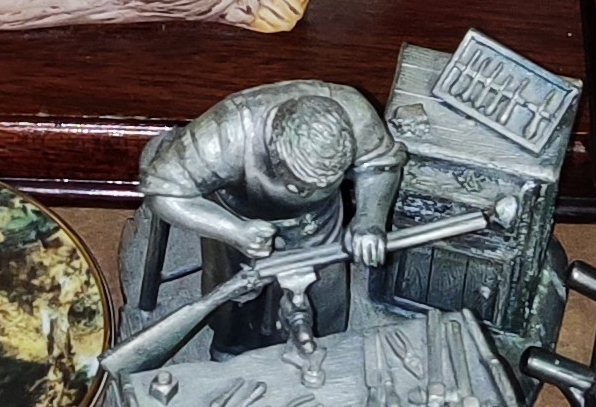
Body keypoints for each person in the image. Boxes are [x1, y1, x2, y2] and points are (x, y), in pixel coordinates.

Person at [133, 79, 398, 350]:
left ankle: (324, 346)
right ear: (273, 151)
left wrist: (368, 219)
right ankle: (232, 348)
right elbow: (162, 193)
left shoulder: (355, 112)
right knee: (238, 307)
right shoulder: (225, 133)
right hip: (238, 218)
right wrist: (234, 231)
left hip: (320, 224)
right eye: (299, 185)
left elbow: (380, 164)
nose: (306, 193)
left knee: (323, 300)